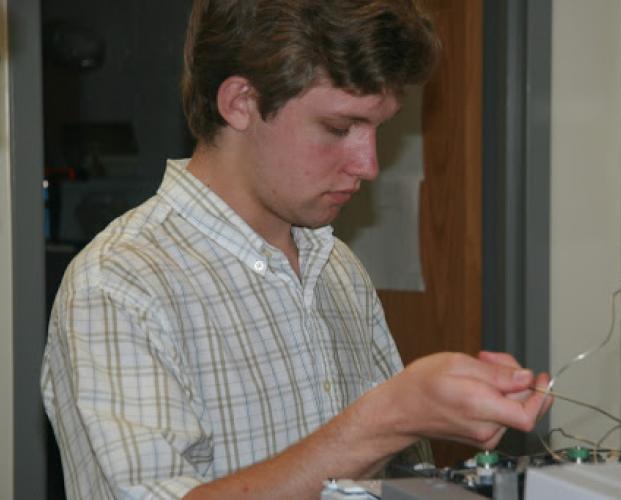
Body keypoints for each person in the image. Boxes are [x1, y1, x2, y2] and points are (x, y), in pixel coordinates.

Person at [41, 1, 551, 499]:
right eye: (338, 128)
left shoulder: (337, 269)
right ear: (240, 102)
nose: (368, 164)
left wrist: (436, 413)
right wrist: (389, 417)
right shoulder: (118, 284)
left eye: (379, 127)